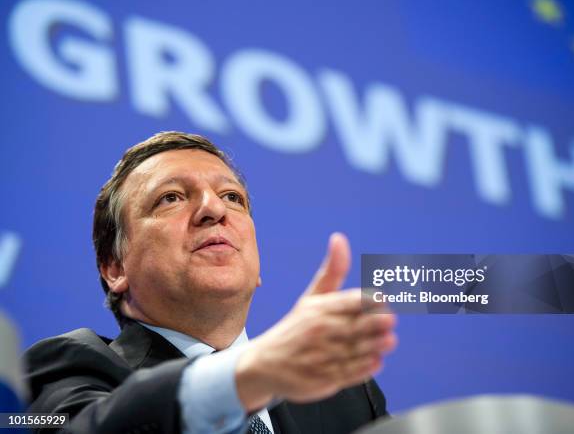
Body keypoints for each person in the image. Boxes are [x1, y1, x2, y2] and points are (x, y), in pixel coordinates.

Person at [24, 132, 397, 434]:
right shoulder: (69, 370)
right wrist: (248, 375)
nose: (214, 210)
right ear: (114, 269)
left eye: (232, 197)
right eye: (170, 198)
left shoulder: (344, 397)